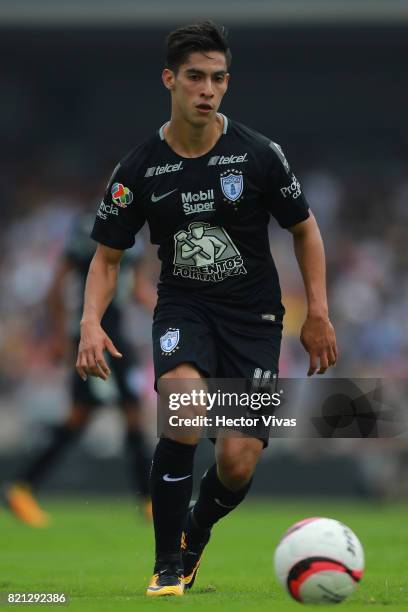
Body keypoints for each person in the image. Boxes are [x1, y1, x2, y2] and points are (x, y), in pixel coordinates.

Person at [76, 21, 337, 597]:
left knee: (239, 460)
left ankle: (194, 534)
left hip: (255, 318)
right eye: (195, 77)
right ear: (170, 79)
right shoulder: (139, 168)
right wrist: (89, 323)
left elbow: (305, 229)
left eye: (218, 78)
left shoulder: (261, 154)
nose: (208, 89)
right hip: (185, 309)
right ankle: (166, 563)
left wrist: (317, 311)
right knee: (186, 409)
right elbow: (107, 259)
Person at [5, 211, 156, 527]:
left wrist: (173, 312)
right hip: (94, 336)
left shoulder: (136, 241)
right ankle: (149, 500)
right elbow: (57, 288)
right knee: (120, 413)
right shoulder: (90, 230)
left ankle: (22, 488)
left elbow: (137, 288)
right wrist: (61, 335)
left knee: (90, 416)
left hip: (116, 336)